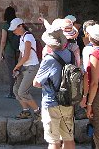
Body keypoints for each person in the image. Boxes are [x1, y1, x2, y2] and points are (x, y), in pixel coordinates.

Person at [33, 20, 76, 149]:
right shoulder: (71, 55)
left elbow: (36, 82)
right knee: (69, 138)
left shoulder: (49, 59)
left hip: (52, 102)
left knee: (54, 141)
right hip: (67, 101)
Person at [9, 18, 41, 119]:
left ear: (20, 26)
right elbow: (22, 55)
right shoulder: (22, 37)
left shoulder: (28, 37)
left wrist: (17, 66)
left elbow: (26, 56)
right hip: (24, 67)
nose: (13, 31)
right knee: (16, 89)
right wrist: (18, 68)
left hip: (32, 67)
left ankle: (38, 112)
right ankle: (26, 111)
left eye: (15, 29)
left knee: (22, 92)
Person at [0, 6, 19, 99]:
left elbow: (3, 41)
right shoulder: (17, 24)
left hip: (9, 51)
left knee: (11, 72)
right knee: (18, 71)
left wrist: (1, 52)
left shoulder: (6, 25)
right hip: (18, 51)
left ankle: (12, 92)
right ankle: (19, 90)